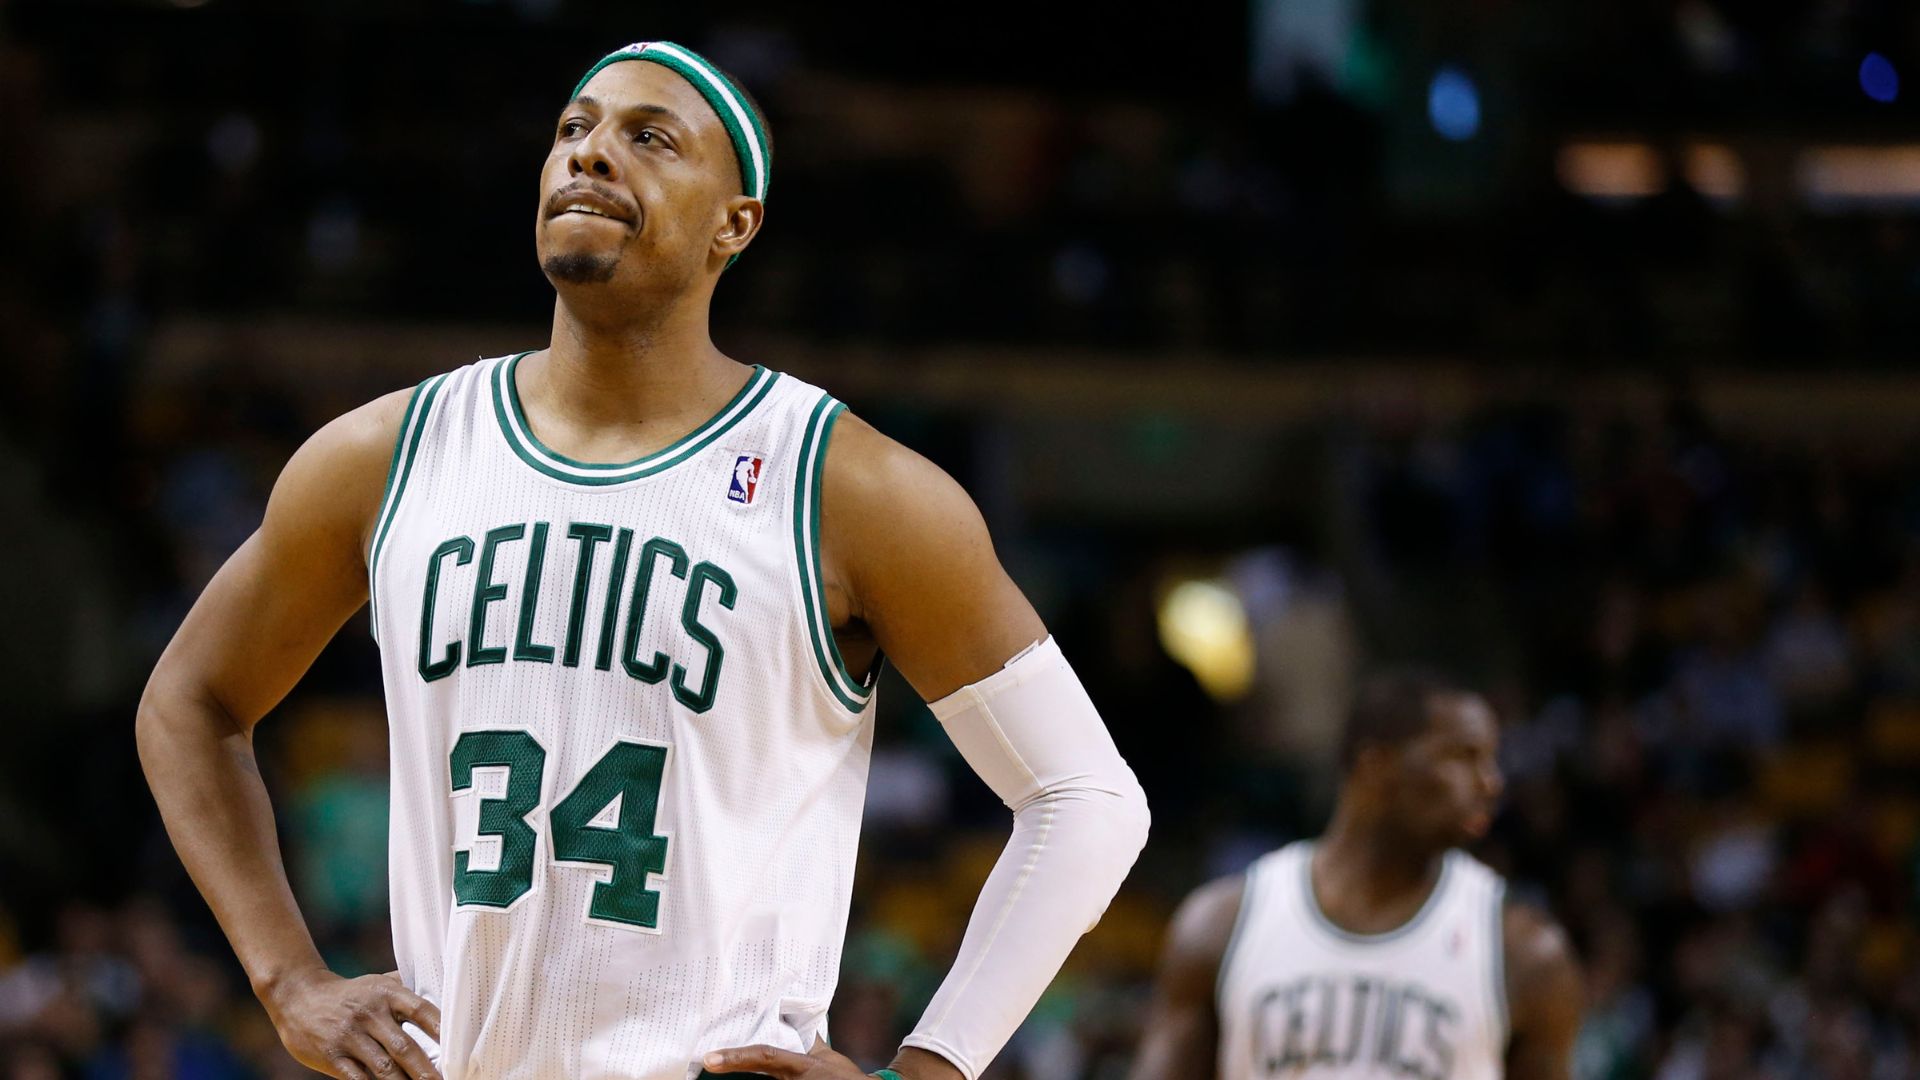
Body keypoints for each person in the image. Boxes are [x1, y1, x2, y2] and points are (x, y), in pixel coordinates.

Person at [136, 41, 1150, 1080]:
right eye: (573, 130)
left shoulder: (852, 488)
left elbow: (1087, 796)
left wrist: (928, 1071)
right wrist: (289, 980)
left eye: (649, 138)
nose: (591, 156)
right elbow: (190, 702)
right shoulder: (386, 455)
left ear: (734, 223)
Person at [1128, 671, 1581, 1080]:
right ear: (1375, 766)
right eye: (1462, 757)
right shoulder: (1221, 924)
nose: (1491, 783)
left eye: (1490, 760)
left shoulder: (1525, 950)